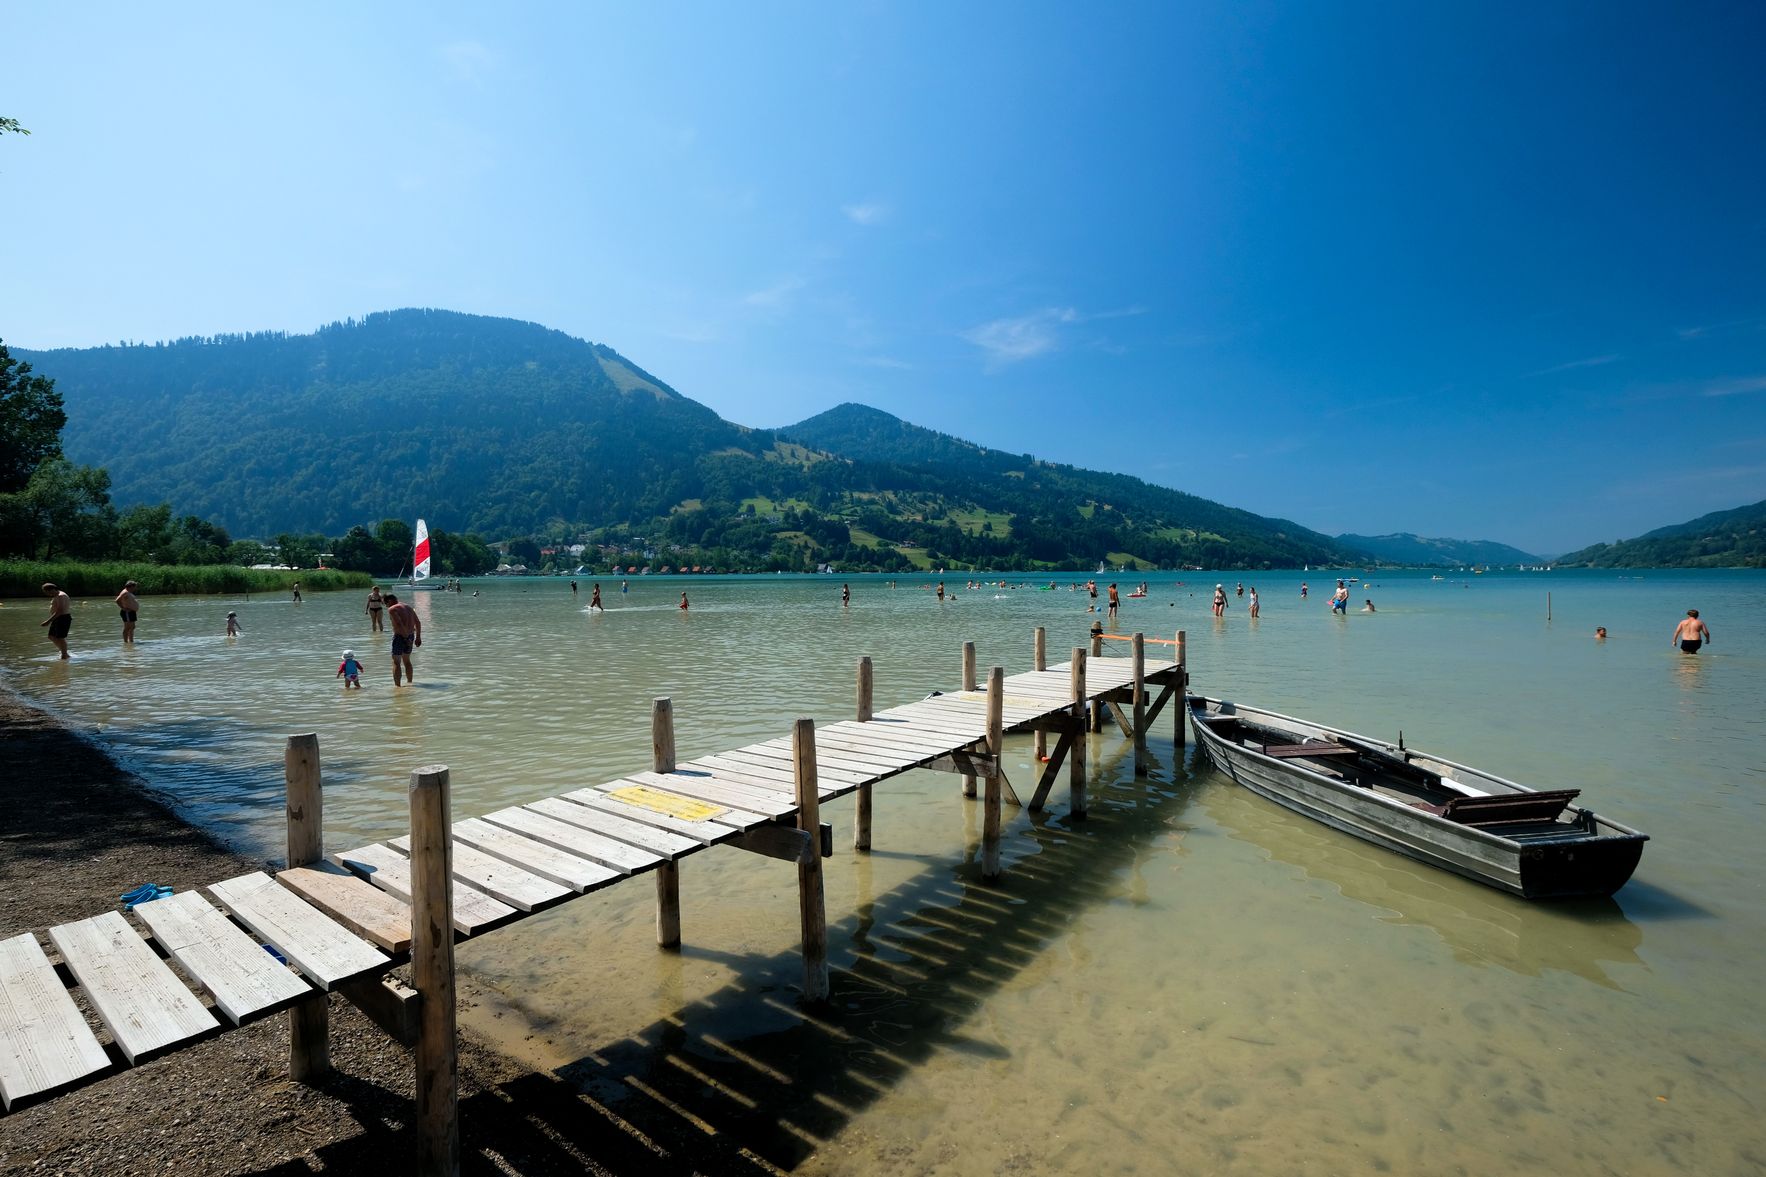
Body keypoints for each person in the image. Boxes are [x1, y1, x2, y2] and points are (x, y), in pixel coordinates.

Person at [385, 593, 421, 685]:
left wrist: (405, 637)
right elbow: (417, 622)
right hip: (411, 635)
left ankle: (398, 687)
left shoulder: (392, 609)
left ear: (389, 601)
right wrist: (418, 637)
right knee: (407, 660)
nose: (386, 606)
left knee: (396, 662)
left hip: (400, 637)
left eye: (385, 603)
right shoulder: (408, 607)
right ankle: (409, 683)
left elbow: (399, 624)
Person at [40, 583, 72, 659]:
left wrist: (48, 621)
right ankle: (64, 652)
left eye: (47, 592)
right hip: (57, 618)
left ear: (52, 589)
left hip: (63, 618)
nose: (47, 594)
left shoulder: (61, 596)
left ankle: (64, 655)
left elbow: (60, 611)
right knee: (51, 636)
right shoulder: (57, 595)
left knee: (60, 637)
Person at [115, 579, 140, 644]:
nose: (135, 588)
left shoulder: (128, 592)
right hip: (127, 612)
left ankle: (131, 641)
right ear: (131, 586)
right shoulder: (125, 592)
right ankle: (125, 642)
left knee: (132, 627)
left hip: (131, 612)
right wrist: (123, 608)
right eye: (134, 586)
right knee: (127, 627)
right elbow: (117, 600)